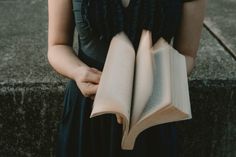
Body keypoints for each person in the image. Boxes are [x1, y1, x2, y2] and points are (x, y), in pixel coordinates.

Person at [47, 0, 207, 156]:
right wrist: (78, 72)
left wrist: (156, 82)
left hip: (152, 113)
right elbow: (58, 45)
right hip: (87, 109)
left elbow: (187, 55)